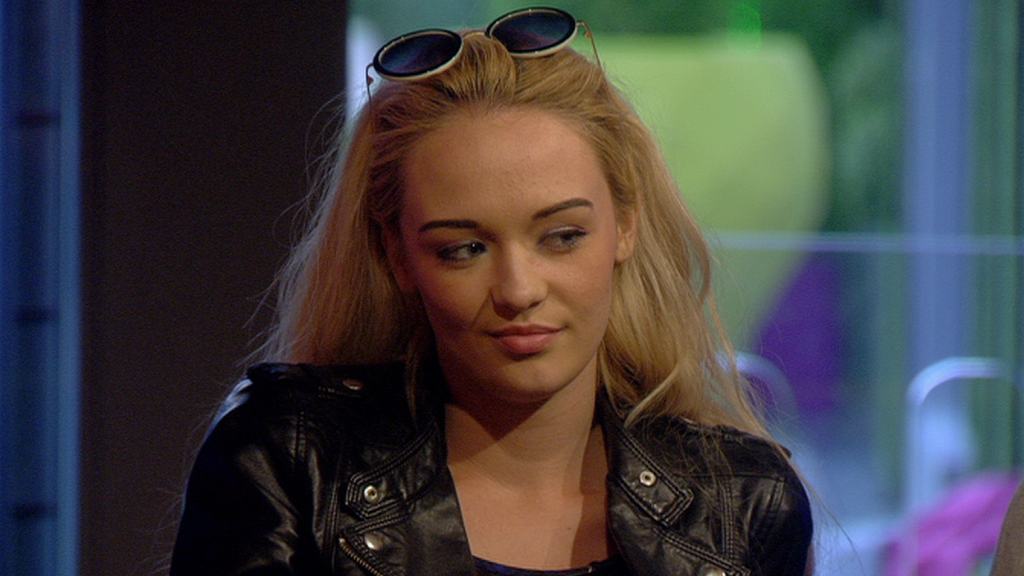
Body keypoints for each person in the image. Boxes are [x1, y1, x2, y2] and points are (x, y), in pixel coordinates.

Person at [169, 7, 813, 576]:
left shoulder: (744, 503)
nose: (518, 290)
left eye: (561, 237)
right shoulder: (289, 467)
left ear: (626, 225)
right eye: (463, 249)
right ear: (398, 254)